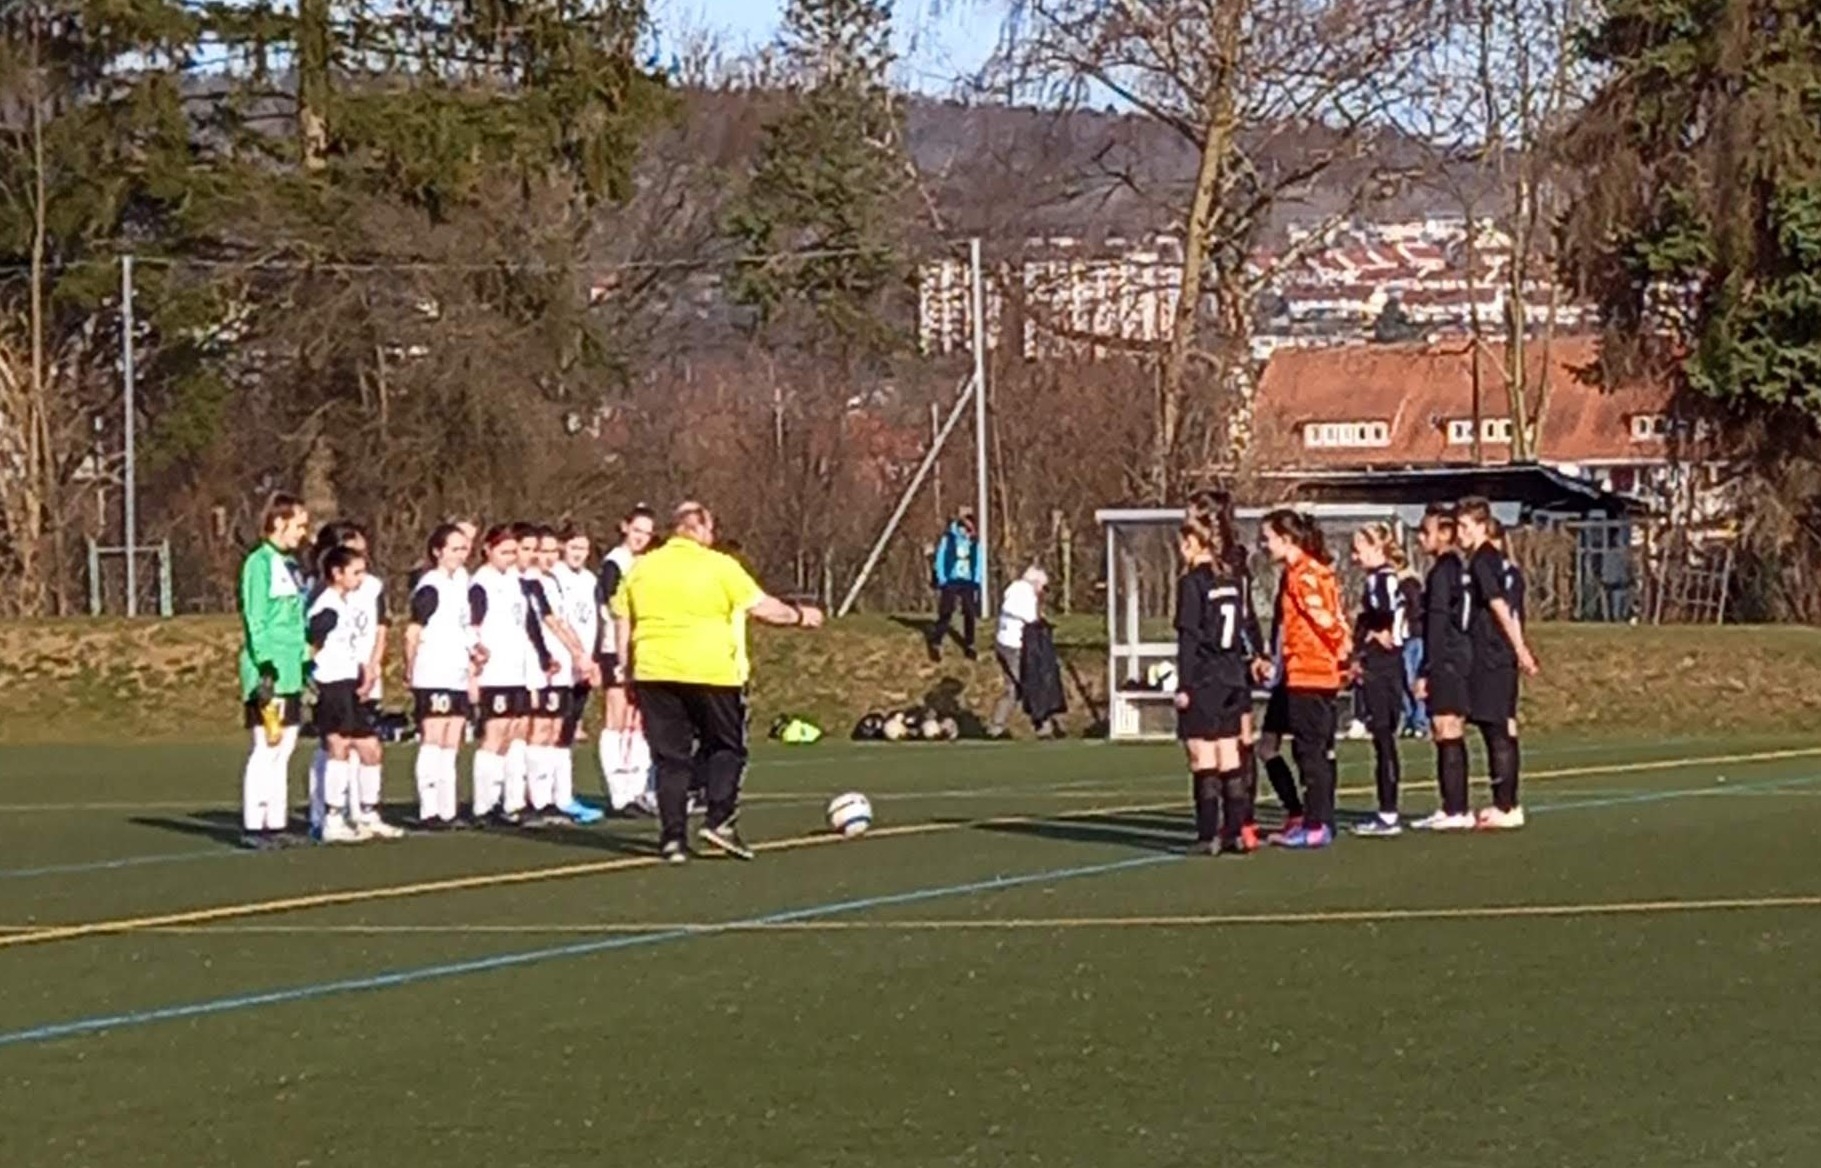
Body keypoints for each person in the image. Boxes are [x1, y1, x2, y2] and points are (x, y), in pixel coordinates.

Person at [610, 501, 824, 865]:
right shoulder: (719, 566)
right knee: (727, 746)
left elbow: (622, 619)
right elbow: (762, 606)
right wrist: (800, 615)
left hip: (654, 670)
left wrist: (626, 668)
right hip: (709, 670)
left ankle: (672, 839)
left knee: (670, 759)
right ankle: (719, 819)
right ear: (698, 529)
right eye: (710, 529)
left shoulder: (642, 567)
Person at [1253, 510, 1350, 849]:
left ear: (1286, 539)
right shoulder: (1318, 571)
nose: (1264, 545)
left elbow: (1325, 618)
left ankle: (1315, 824)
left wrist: (1341, 647)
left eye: (1268, 538)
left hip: (1309, 671)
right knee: (1312, 750)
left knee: (1310, 753)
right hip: (1314, 672)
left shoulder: (1303, 574)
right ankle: (1316, 820)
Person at [305, 522, 401, 841]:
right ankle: (332, 818)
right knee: (339, 745)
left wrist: (365, 669)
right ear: (337, 573)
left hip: (351, 679)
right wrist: (310, 678)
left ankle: (368, 813)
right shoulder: (327, 606)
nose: (362, 579)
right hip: (332, 682)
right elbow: (310, 643)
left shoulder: (346, 601)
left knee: (370, 747)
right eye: (355, 572)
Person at [1188, 488, 1264, 849]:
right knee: (1233, 744)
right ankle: (1235, 825)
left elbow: (1244, 615)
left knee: (1230, 744)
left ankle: (1237, 823)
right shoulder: (1224, 565)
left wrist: (1256, 652)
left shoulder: (1226, 564)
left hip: (1221, 667)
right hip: (1231, 666)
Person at [1173, 513, 1252, 855]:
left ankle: (1208, 835)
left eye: (1183, 543)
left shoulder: (1192, 582)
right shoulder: (1231, 580)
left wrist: (1184, 685)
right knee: (1229, 753)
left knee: (1202, 754)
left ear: (1192, 543)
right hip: (1232, 675)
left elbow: (1189, 636)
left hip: (1205, 676)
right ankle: (1236, 831)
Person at [1458, 500, 1540, 829]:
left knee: (1496, 727)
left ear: (1482, 526)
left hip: (1491, 653)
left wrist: (1521, 649)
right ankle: (1507, 803)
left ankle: (1505, 805)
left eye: (1465, 526)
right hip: (1500, 653)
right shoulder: (1504, 564)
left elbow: (1499, 606)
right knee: (1502, 724)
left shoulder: (1482, 561)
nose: (1460, 533)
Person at [237, 493, 312, 851]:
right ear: (279, 523)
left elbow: (297, 617)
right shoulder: (259, 563)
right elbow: (256, 616)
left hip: (291, 670)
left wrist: (304, 660)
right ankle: (255, 824)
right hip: (269, 671)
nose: (303, 532)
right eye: (299, 525)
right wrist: (264, 662)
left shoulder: (292, 565)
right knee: (266, 744)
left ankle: (276, 821)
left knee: (286, 747)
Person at [469, 526, 541, 825]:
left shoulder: (515, 582)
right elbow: (473, 627)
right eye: (504, 552)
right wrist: (474, 671)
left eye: (513, 552)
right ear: (487, 549)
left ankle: (511, 801)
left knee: (515, 733)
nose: (510, 558)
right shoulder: (480, 584)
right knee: (495, 734)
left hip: (516, 670)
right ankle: (483, 804)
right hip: (494, 672)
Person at [406, 523, 475, 829]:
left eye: (464, 549)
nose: (461, 554)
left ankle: (448, 809)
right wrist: (410, 668)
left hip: (457, 670)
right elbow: (413, 631)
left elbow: (462, 625)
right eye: (455, 549)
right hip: (434, 671)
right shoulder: (430, 586)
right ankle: (429, 809)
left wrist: (475, 651)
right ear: (437, 552)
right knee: (433, 738)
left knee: (452, 741)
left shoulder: (461, 581)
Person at [1411, 505, 1476, 831]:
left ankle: (1455, 808)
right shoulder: (1460, 569)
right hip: (1459, 654)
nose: (1421, 538)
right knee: (1449, 729)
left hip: (1446, 657)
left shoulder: (1441, 573)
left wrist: (1426, 669)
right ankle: (1454, 806)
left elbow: (1436, 624)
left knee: (1445, 727)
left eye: (1426, 531)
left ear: (1445, 533)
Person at [1349, 523, 1415, 838]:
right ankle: (1388, 810)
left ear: (1376, 548)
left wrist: (1374, 634)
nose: (1354, 556)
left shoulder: (1382, 579)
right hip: (1389, 663)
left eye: (1358, 549)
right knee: (1384, 739)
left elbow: (1386, 614)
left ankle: (1388, 813)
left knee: (1383, 740)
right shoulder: (1388, 578)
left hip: (1382, 664)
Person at [597, 505, 658, 814]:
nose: (641, 538)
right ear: (624, 528)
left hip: (642, 648)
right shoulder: (615, 563)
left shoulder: (645, 563)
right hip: (615, 648)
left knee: (637, 719)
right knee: (617, 717)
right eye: (637, 531)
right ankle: (618, 793)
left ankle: (637, 789)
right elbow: (611, 608)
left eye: (647, 533)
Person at [548, 525, 606, 824]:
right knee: (551, 731)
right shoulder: (554, 577)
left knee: (568, 731)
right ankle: (545, 796)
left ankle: (563, 795)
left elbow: (595, 622)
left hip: (583, 664)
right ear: (562, 547)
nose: (578, 555)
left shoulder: (589, 580)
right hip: (561, 664)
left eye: (583, 549)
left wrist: (592, 659)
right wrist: (574, 654)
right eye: (573, 548)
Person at [988, 567, 1057, 739]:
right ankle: (1043, 727)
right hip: (1015, 646)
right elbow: (1032, 619)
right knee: (1033, 684)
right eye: (1043, 587)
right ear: (1036, 583)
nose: (1042, 592)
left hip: (1002, 643)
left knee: (1013, 688)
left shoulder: (1013, 589)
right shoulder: (1026, 594)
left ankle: (996, 727)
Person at [927, 506, 984, 661]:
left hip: (968, 581)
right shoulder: (949, 538)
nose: (969, 529)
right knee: (946, 611)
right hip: (951, 580)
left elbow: (978, 562)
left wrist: (977, 581)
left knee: (970, 612)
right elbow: (941, 558)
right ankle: (936, 641)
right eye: (966, 525)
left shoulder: (974, 542)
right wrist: (942, 578)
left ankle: (970, 644)